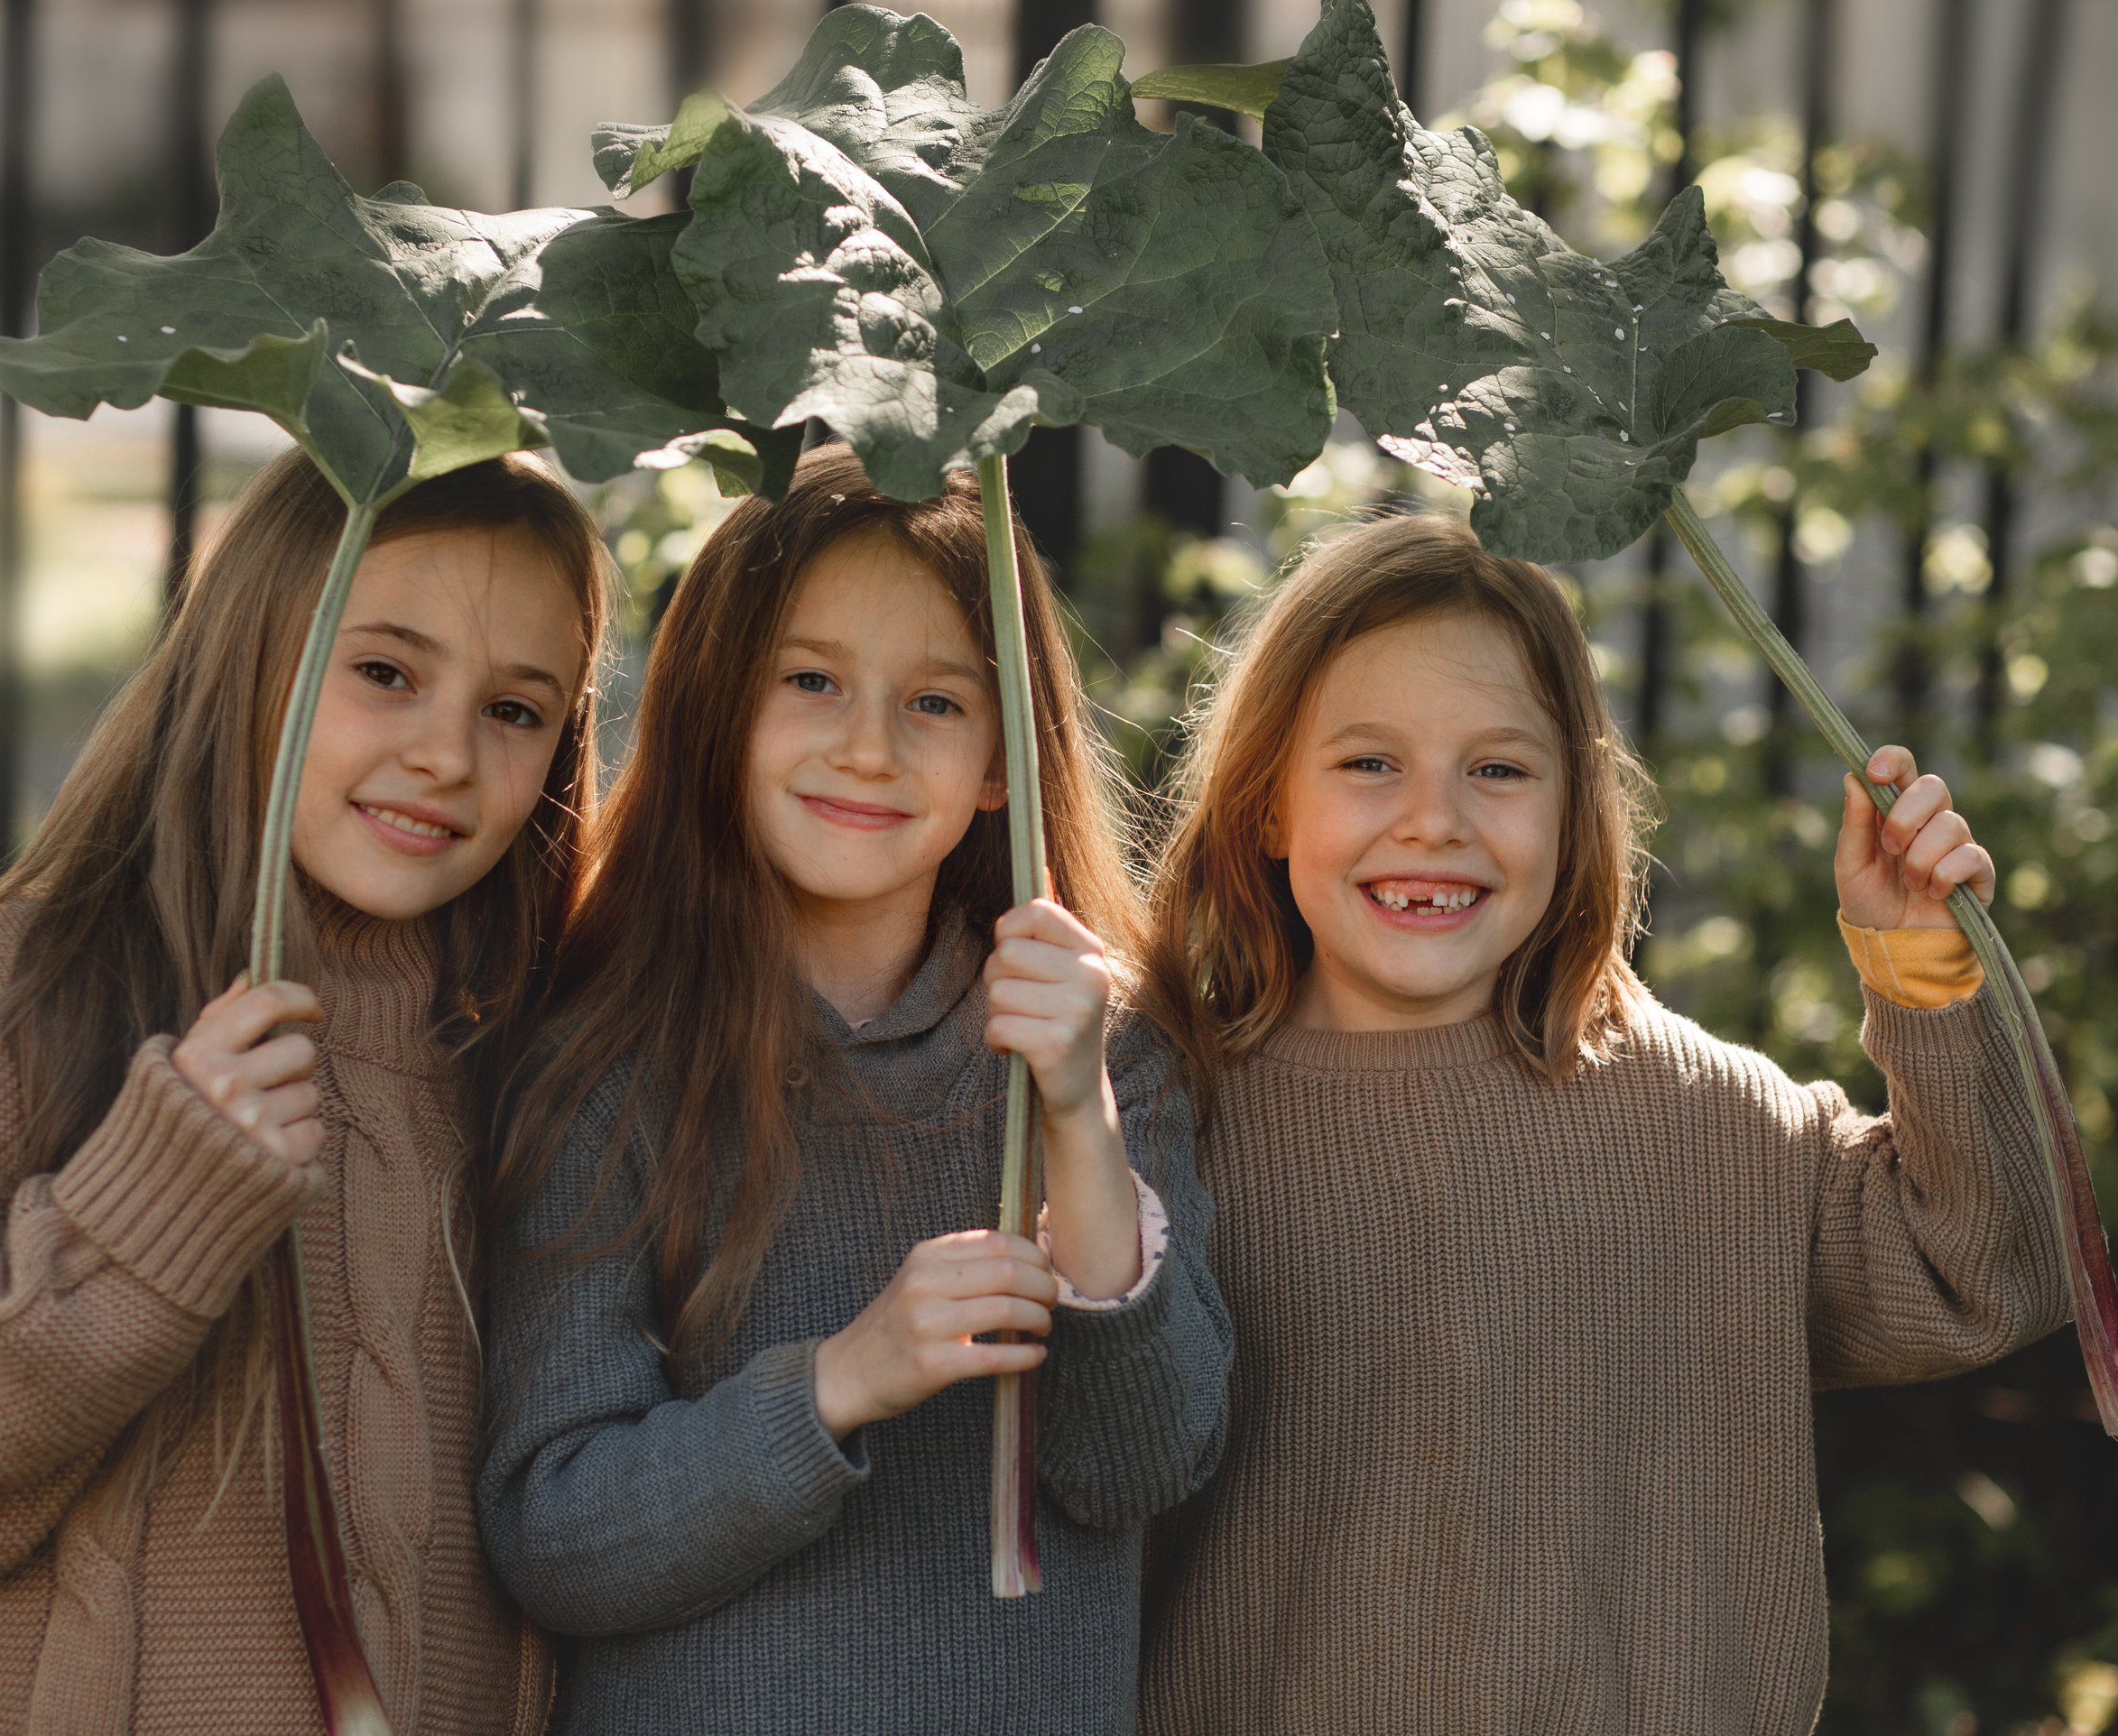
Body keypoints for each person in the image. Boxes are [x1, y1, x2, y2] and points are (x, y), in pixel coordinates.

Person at [1134, 512, 2063, 1735]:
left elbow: (1985, 1268)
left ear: (1577, 810)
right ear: (1266, 803)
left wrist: (1925, 970)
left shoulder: (1708, 1125)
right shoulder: (1159, 1126)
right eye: (1368, 763)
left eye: (1500, 769)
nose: (1435, 820)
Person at [0, 447, 608, 1735]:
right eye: (385, 673)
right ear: (250, 648)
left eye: (516, 710)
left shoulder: (527, 1049)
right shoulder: (47, 976)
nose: (447, 754)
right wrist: (145, 1214)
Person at [478, 446, 1231, 1735]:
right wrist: (843, 1378)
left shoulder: (1104, 1054)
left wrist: (1078, 1120)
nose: (868, 748)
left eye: (934, 701)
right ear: (718, 711)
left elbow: (1141, 1467)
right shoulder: (612, 1063)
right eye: (811, 681)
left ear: (1002, 760)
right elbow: (557, 1533)